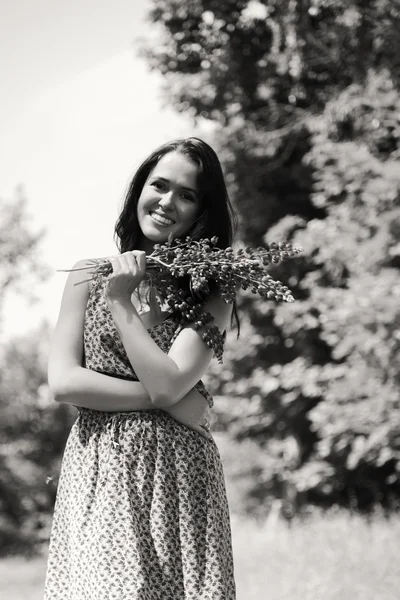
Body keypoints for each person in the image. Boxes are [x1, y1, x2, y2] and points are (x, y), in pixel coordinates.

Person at [44, 137, 238, 600]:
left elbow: (170, 382)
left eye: (187, 195)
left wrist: (120, 302)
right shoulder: (86, 275)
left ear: (201, 212)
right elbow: (64, 381)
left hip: (180, 475)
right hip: (102, 468)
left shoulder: (214, 289)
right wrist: (174, 402)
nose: (168, 202)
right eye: (160, 185)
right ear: (139, 191)